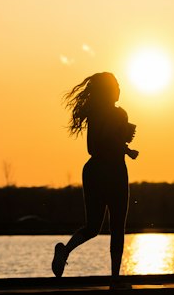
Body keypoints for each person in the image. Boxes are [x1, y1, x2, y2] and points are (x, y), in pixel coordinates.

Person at [52, 71, 138, 280]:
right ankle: (114, 279)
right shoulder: (110, 114)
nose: (120, 89)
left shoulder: (108, 114)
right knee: (108, 227)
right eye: (116, 85)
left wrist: (124, 146)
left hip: (101, 171)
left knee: (101, 227)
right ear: (108, 91)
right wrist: (124, 147)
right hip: (107, 172)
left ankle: (67, 252)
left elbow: (105, 143)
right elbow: (95, 147)